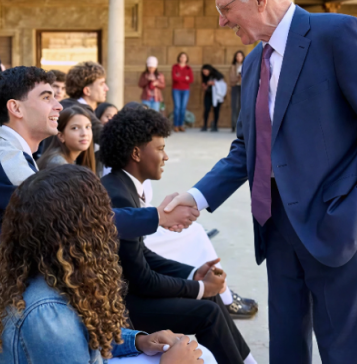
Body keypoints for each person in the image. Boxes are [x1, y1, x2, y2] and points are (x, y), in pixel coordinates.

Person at [165, 0, 357, 364]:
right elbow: (247, 148)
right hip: (276, 229)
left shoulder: (338, 35)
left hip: (339, 226)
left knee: (346, 353)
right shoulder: (252, 63)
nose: (222, 21)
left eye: (225, 8)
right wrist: (197, 196)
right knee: (285, 347)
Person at [0, 66, 200, 332]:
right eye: (46, 97)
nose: (58, 106)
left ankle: (136, 338)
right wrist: (159, 216)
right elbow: (77, 222)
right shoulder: (6, 161)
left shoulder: (9, 154)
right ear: (16, 108)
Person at [0, 165, 211, 364]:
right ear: (82, 233)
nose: (110, 225)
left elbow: (84, 337)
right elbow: (67, 335)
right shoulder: (49, 315)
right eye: (101, 217)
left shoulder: (53, 276)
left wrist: (139, 340)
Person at [100, 108, 255, 364]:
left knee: (211, 298)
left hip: (132, 294)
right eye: (160, 148)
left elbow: (143, 255)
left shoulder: (122, 186)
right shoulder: (118, 193)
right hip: (125, 307)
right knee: (208, 312)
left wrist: (194, 274)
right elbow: (141, 280)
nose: (166, 156)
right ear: (136, 153)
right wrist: (200, 288)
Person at [37, 106, 96, 172]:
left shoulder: (77, 159)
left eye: (87, 127)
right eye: (75, 128)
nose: (84, 133)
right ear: (61, 136)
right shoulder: (58, 163)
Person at [171, 52, 194, 132]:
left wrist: (180, 77)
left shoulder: (188, 68)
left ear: (186, 59)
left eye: (184, 57)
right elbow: (174, 78)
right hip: (176, 89)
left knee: (183, 108)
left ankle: (181, 125)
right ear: (179, 58)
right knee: (177, 107)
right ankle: (176, 125)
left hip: (185, 90)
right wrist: (185, 78)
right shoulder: (175, 67)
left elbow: (191, 79)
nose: (183, 58)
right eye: (181, 57)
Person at [201, 65, 227, 132]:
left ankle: (215, 125)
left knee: (216, 110)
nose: (205, 73)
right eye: (203, 72)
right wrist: (205, 86)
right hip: (208, 94)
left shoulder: (218, 76)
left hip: (217, 96)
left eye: (206, 71)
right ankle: (205, 125)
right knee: (206, 109)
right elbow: (204, 86)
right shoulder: (205, 77)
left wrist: (213, 83)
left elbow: (222, 84)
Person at [229, 51, 245, 131]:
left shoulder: (245, 65)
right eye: (237, 56)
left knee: (241, 106)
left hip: (243, 87)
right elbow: (231, 79)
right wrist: (238, 77)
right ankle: (233, 125)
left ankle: (241, 126)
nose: (239, 58)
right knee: (234, 106)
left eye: (240, 56)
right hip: (235, 87)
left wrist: (241, 77)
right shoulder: (232, 67)